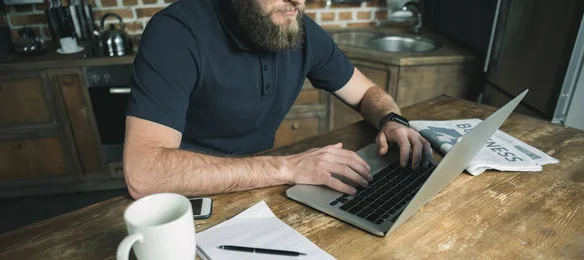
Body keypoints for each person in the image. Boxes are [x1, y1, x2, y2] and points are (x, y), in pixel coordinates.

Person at [123, 0, 432, 199]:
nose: (297, 1)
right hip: (184, 198)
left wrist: (392, 120)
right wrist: (286, 168)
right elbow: (144, 173)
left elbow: (367, 93)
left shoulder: (301, 31)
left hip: (259, 190)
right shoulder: (176, 32)